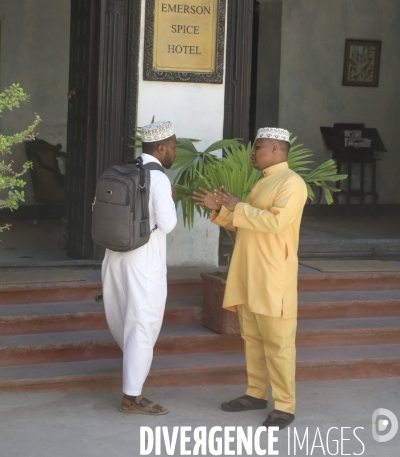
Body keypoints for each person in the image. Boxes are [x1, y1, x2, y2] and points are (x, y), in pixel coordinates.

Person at [193, 127, 307, 430]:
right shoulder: (263, 183)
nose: (252, 153)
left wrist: (237, 206)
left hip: (273, 277)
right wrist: (220, 211)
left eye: (257, 148)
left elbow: (275, 222)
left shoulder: (293, 184)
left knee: (279, 344)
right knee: (253, 340)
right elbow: (248, 225)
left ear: (275, 149)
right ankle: (256, 394)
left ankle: (284, 405)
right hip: (249, 273)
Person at [102, 121, 177, 415]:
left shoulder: (126, 171)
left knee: (124, 318)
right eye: (172, 146)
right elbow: (168, 224)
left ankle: (133, 379)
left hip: (114, 256)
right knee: (143, 325)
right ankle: (131, 397)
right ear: (160, 148)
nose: (174, 152)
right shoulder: (158, 179)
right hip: (144, 262)